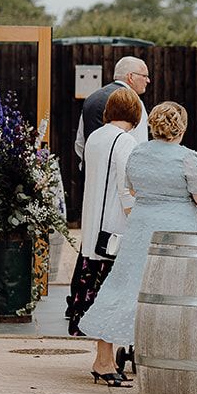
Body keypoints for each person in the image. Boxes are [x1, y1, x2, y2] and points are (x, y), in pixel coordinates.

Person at [79, 103, 197, 385]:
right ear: (182, 128)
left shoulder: (137, 151)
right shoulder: (187, 157)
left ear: (152, 126)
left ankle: (104, 358)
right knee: (175, 293)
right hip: (177, 232)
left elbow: (131, 188)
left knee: (124, 287)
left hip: (141, 227)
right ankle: (169, 357)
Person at [70, 87, 143, 364]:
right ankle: (104, 361)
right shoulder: (125, 142)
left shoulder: (95, 138)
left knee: (98, 294)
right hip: (114, 229)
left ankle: (105, 359)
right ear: (135, 114)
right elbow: (127, 188)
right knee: (113, 296)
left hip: (92, 230)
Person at [74, 56, 150, 163]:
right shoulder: (134, 102)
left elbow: (80, 143)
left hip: (90, 172)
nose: (148, 80)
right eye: (144, 76)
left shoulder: (91, 98)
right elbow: (139, 146)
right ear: (131, 77)